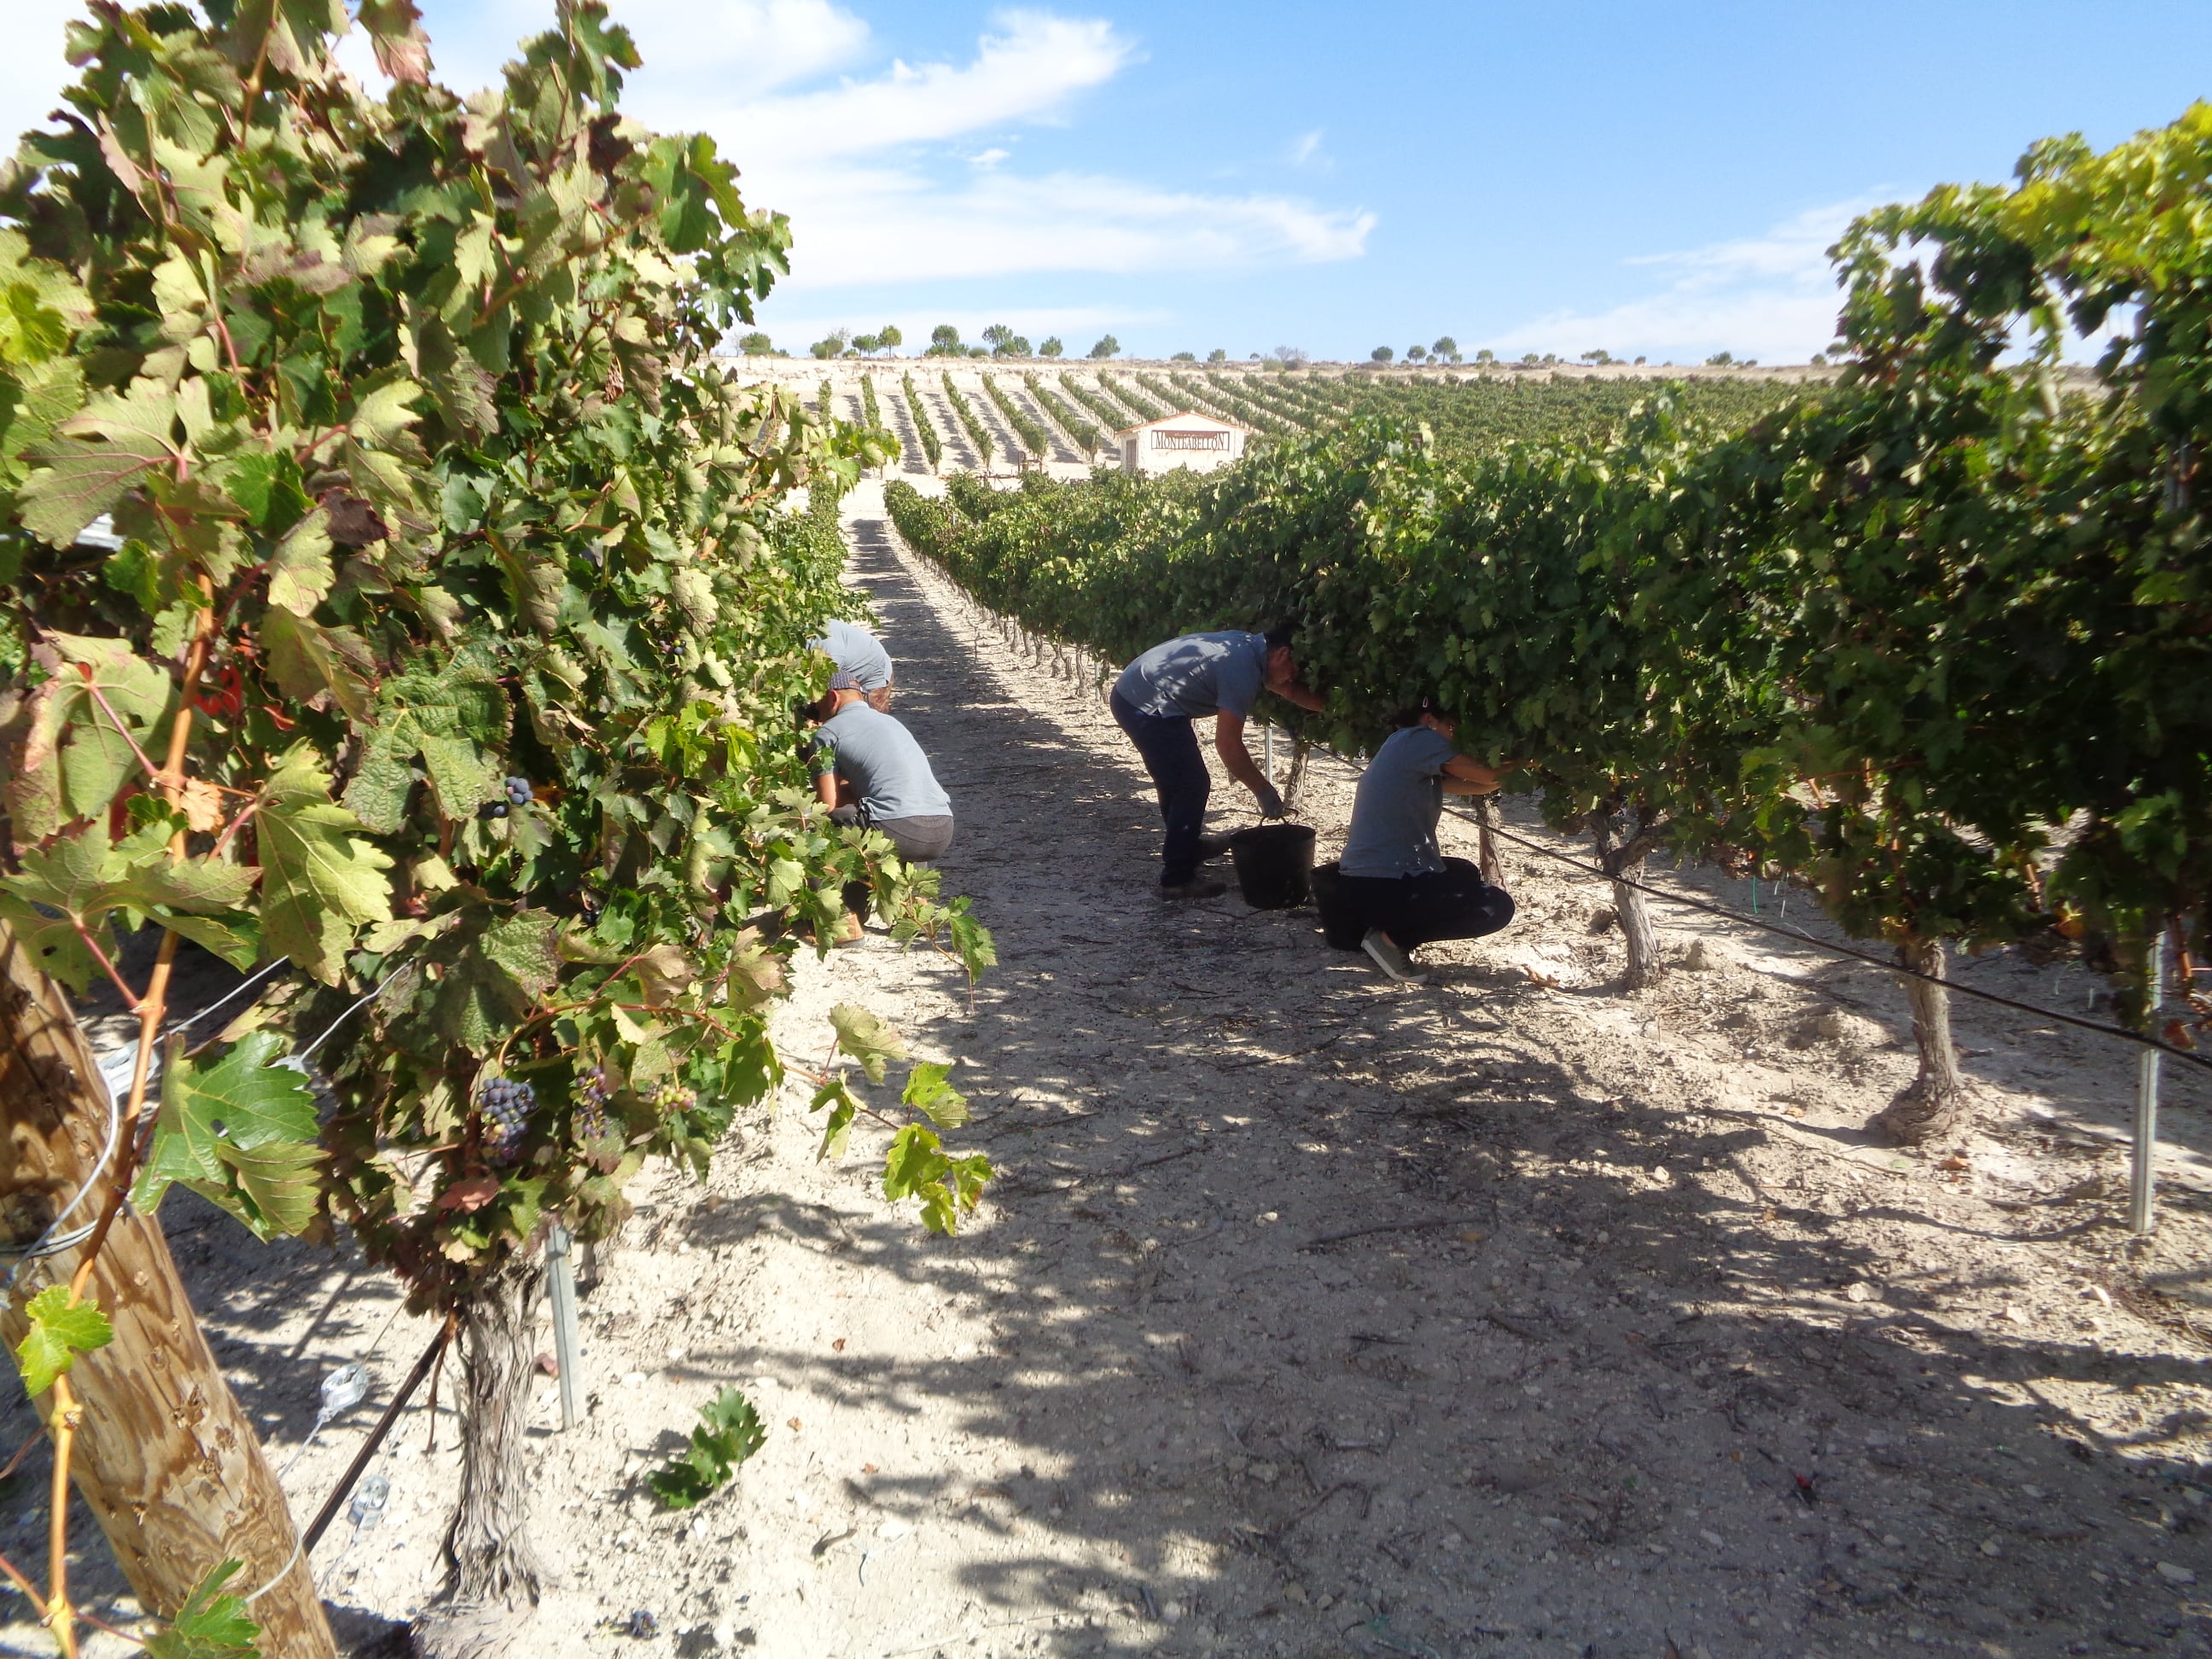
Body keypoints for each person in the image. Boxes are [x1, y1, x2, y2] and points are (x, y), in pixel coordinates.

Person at [1111, 624, 1324, 900]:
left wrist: (1336, 710)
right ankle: (1177, 879)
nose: (1291, 680)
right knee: (1191, 784)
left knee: (1175, 781)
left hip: (1137, 693)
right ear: (1283, 654)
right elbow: (1228, 744)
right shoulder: (1242, 668)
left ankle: (1187, 848)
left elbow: (1290, 691)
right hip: (1145, 704)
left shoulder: (1251, 649)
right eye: (1294, 672)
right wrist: (1264, 791)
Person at [1336, 698, 1516, 984]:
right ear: (1430, 720)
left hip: (1368, 879)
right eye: (1452, 727)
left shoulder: (1405, 751)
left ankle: (1386, 927)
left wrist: (1515, 773)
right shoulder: (1417, 740)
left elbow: (1483, 784)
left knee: (1464, 872)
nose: (1455, 736)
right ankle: (1391, 939)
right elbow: (1487, 773)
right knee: (1497, 907)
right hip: (1380, 883)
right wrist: (1534, 758)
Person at [806, 670, 953, 933]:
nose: (817, 716)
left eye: (816, 707)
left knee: (814, 823)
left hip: (900, 830)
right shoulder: (892, 723)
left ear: (832, 698)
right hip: (941, 829)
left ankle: (841, 920)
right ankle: (915, 906)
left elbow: (827, 805)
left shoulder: (828, 734)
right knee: (884, 813)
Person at [810, 616, 896, 711]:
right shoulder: (804, 631)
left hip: (873, 672)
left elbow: (819, 691)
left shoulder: (827, 650)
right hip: (848, 666)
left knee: (869, 718)